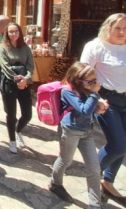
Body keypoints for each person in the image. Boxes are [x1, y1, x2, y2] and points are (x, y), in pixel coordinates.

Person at [49, 62, 108, 209]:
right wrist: (94, 94)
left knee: (94, 168)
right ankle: (55, 184)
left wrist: (99, 107)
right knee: (65, 160)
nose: (94, 84)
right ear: (77, 80)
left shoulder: (86, 89)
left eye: (95, 80)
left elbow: (90, 108)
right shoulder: (67, 92)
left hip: (87, 132)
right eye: (91, 82)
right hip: (70, 131)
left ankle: (95, 204)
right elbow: (83, 110)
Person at [81, 13, 126, 206]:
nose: (122, 32)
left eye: (125, 28)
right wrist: (95, 98)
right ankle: (93, 176)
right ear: (108, 27)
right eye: (118, 28)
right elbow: (82, 75)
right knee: (118, 145)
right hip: (106, 100)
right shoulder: (95, 46)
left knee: (124, 145)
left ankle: (108, 182)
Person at [0, 22, 34, 154]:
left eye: (16, 31)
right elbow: (5, 67)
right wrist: (17, 79)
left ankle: (18, 130)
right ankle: (12, 139)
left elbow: (30, 65)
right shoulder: (3, 47)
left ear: (20, 32)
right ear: (7, 33)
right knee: (11, 114)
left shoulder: (25, 48)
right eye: (11, 31)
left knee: (27, 114)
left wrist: (26, 79)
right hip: (9, 83)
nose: (14, 34)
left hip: (24, 83)